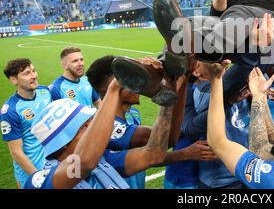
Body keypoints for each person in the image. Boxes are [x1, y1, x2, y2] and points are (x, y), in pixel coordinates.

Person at [24, 74, 176, 189]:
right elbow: (82, 164)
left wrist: (168, 93)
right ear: (63, 142)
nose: (92, 128)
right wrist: (115, 87)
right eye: (84, 126)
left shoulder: (102, 160)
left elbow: (153, 154)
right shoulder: (39, 182)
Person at [86, 55, 217, 189]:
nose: (137, 82)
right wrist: (185, 153)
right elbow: (165, 143)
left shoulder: (132, 114)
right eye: (130, 77)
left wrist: (182, 80)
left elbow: (155, 149)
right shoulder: (107, 127)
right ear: (109, 88)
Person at [181, 60, 251, 189]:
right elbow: (190, 130)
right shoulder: (201, 92)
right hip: (221, 180)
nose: (220, 60)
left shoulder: (233, 82)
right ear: (196, 70)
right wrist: (228, 102)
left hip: (245, 168)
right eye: (208, 58)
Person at [1, 58, 53, 188]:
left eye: (34, 71)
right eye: (27, 73)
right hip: (30, 173)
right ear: (14, 80)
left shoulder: (45, 92)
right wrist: (37, 176)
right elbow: (16, 152)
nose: (34, 76)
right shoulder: (10, 110)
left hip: (52, 165)